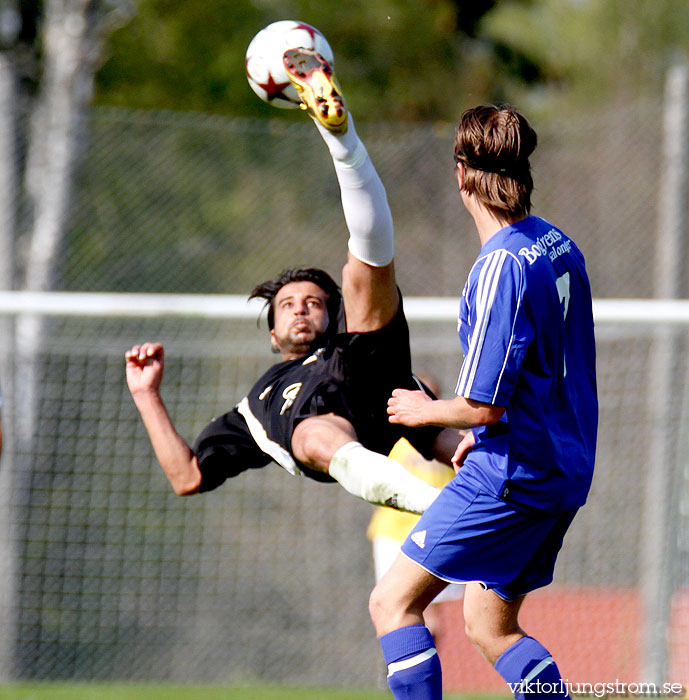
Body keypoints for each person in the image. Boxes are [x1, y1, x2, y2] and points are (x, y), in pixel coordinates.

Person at [125, 48, 459, 515]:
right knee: (312, 433)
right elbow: (187, 477)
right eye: (287, 304)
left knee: (360, 269)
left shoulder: (343, 335)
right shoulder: (254, 408)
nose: (301, 307)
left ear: (329, 314)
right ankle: (442, 511)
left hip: (364, 368)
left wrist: (479, 464)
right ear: (271, 334)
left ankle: (340, 137)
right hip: (328, 433)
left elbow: (445, 439)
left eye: (313, 303)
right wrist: (146, 394)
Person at [370, 105, 598, 700]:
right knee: (488, 624)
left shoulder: (499, 265)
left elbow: (482, 406)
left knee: (392, 603)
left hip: (510, 475)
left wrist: (423, 410)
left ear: (460, 172)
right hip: (561, 469)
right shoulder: (556, 243)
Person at [366, 374, 463, 639]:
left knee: (430, 614)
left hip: (436, 532)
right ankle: (397, 672)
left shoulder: (451, 439)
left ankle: (422, 672)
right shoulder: (390, 434)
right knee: (391, 606)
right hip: (393, 533)